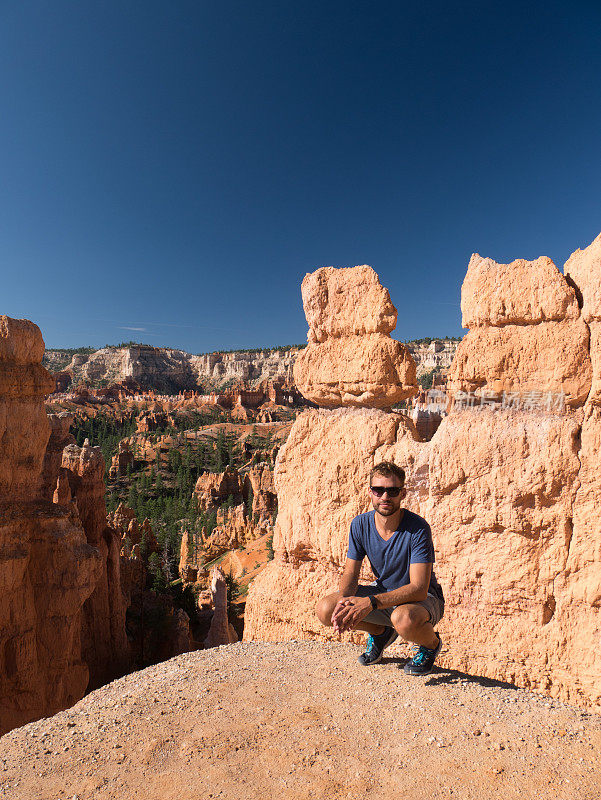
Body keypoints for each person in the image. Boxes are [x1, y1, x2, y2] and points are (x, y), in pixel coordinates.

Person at [315, 461, 445, 675]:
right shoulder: (360, 524)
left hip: (422, 601)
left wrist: (370, 603)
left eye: (392, 491)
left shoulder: (418, 529)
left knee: (403, 620)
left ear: (403, 494)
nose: (385, 497)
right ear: (370, 492)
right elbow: (350, 572)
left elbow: (419, 588)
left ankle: (430, 645)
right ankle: (380, 632)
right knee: (326, 610)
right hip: (383, 596)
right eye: (379, 490)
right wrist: (344, 602)